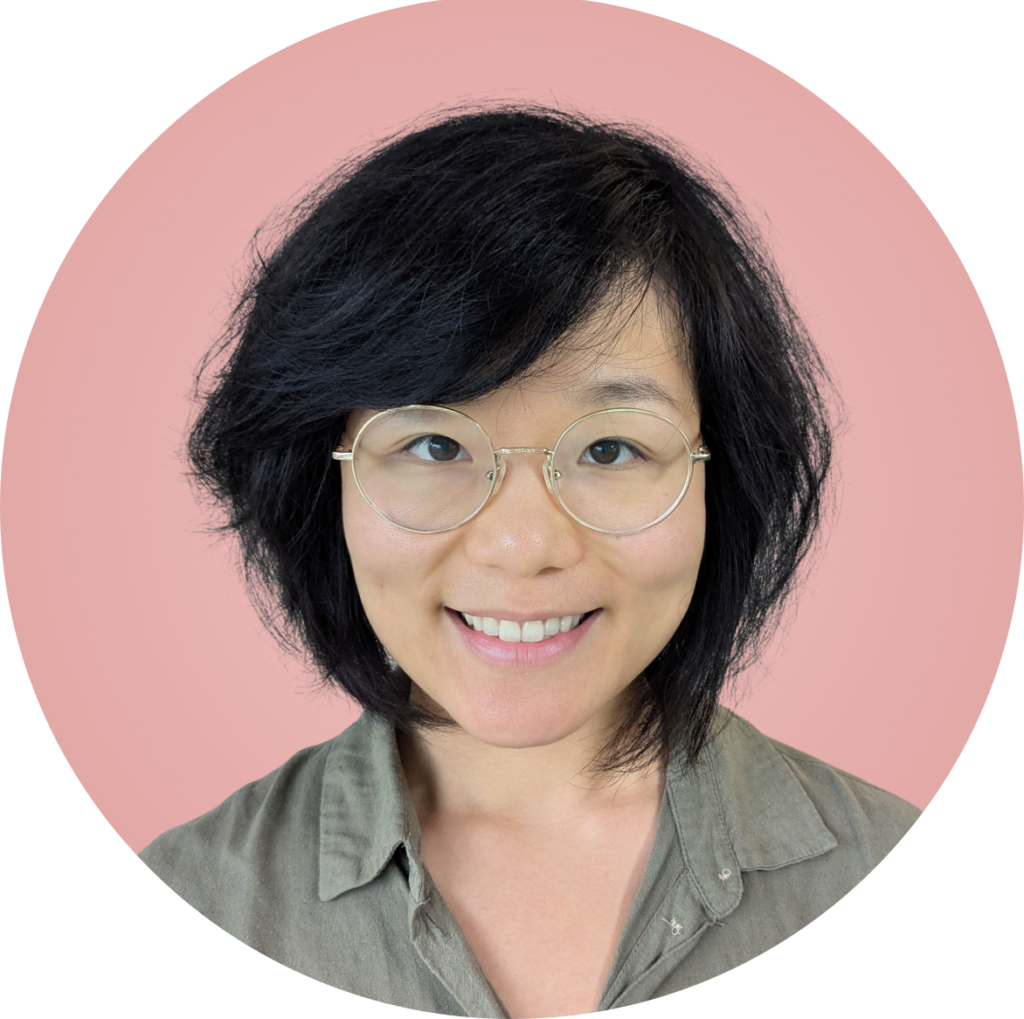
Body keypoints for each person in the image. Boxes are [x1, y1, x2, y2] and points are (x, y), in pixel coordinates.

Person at [139, 105, 921, 1015]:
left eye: (610, 449)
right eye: (435, 445)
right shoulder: (198, 893)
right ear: (325, 481)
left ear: (726, 477)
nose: (523, 545)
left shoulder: (874, 859)